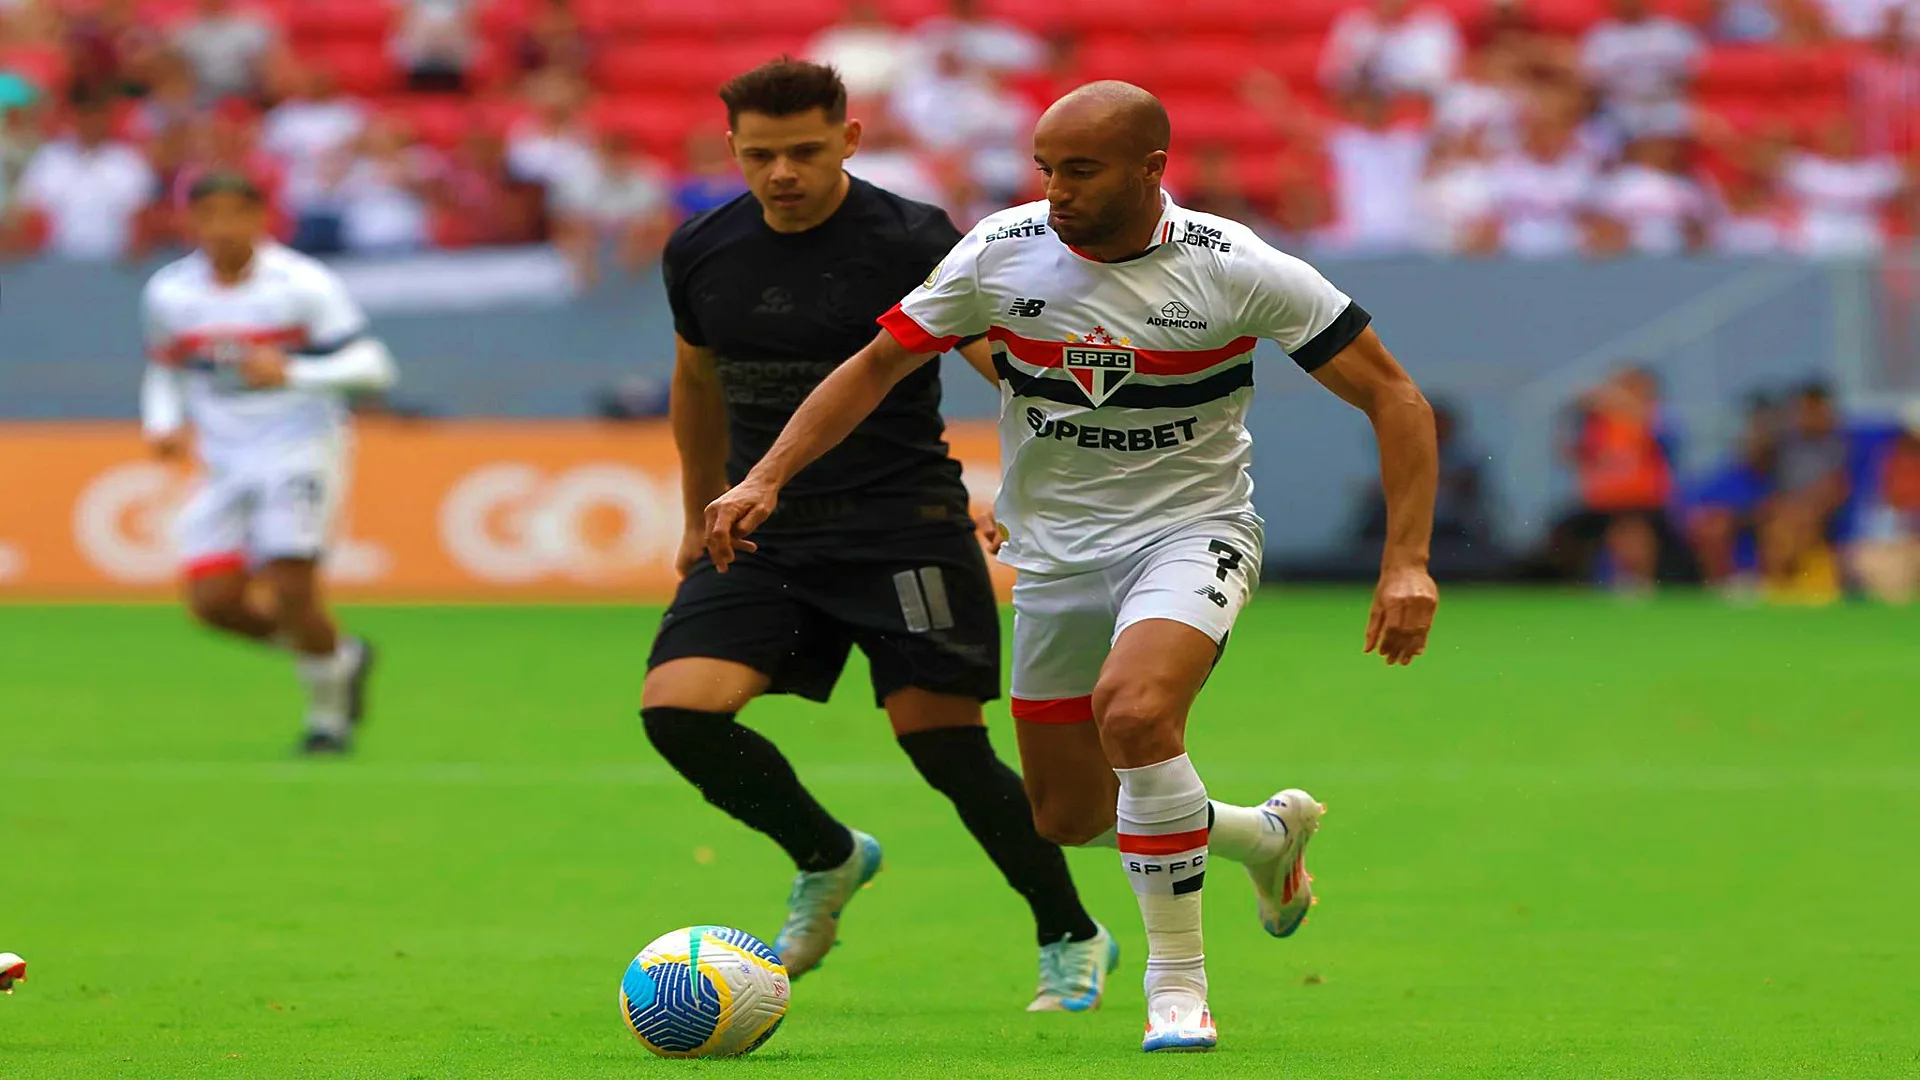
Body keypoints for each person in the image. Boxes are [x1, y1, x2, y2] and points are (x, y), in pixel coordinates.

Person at [704, 80, 1440, 1052]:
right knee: (1067, 814)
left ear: (1152, 169)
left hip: (1192, 533)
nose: (1056, 190)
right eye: (1047, 168)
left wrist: (1407, 563)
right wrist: (766, 476)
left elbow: (1394, 396)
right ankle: (1262, 836)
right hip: (1054, 557)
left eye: (1081, 171)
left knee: (1135, 716)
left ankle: (1178, 990)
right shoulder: (1002, 251)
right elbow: (877, 364)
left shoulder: (1237, 269)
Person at [642, 59, 1116, 1013]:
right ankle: (828, 855)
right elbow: (696, 382)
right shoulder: (700, 249)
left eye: (806, 152)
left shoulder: (910, 239)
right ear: (731, 150)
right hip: (768, 534)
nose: (783, 173)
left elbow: (1003, 367)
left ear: (849, 142)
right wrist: (702, 509)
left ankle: (1071, 932)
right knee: (678, 713)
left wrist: (1034, 486)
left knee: (943, 748)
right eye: (762, 154)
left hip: (903, 527)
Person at [140, 172, 395, 754]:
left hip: (297, 444)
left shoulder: (302, 284)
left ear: (260, 219)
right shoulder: (169, 293)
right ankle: (338, 656)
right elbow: (165, 366)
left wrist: (297, 372)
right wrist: (161, 420)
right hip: (223, 457)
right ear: (191, 222)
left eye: (236, 215)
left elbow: (374, 366)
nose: (222, 229)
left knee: (290, 586)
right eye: (209, 216)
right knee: (213, 605)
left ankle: (327, 722)